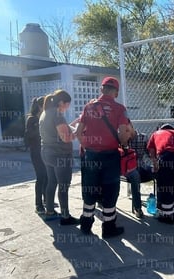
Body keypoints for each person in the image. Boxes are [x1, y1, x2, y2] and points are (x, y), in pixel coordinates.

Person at [76, 77, 133, 238]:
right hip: (110, 156)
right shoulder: (120, 109)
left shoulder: (89, 106)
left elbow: (78, 133)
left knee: (89, 189)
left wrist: (88, 147)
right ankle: (108, 228)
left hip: (91, 156)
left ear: (102, 89)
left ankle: (86, 225)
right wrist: (124, 142)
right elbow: (122, 134)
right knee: (110, 190)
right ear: (116, 92)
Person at [39, 89, 79, 225]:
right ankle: (65, 216)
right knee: (63, 186)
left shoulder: (45, 113)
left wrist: (76, 122)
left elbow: (63, 128)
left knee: (52, 182)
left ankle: (49, 212)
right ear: (61, 103)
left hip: (47, 153)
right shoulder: (57, 115)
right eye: (67, 104)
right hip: (60, 155)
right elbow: (66, 137)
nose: (68, 107)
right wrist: (79, 132)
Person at [147, 123, 174, 223]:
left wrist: (155, 163)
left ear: (160, 128)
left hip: (167, 157)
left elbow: (151, 150)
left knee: (165, 185)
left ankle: (167, 215)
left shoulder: (156, 133)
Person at [25, 96, 48, 214]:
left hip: (44, 151)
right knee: (41, 177)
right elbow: (30, 135)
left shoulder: (43, 118)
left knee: (47, 176)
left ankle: (46, 199)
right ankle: (38, 204)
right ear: (40, 106)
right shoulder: (32, 119)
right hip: (36, 152)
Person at [125, 128, 154, 218]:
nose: (124, 132)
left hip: (141, 165)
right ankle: (138, 208)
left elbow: (149, 153)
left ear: (131, 126)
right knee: (135, 176)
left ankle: (163, 205)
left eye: (126, 129)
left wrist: (155, 161)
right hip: (127, 169)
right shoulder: (122, 139)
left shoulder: (143, 137)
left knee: (158, 172)